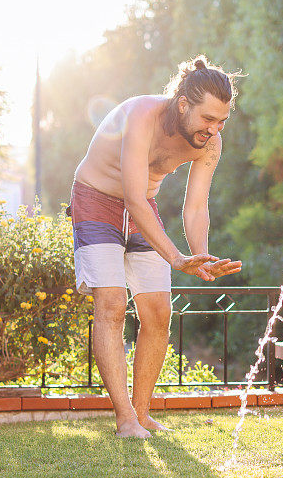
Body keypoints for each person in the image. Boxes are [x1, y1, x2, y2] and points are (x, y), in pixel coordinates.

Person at [69, 55, 242, 439]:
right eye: (208, 119)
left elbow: (196, 206)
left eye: (221, 121)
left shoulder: (209, 144)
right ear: (183, 104)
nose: (214, 130)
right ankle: (125, 418)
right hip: (97, 199)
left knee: (158, 311)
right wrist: (175, 256)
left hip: (142, 208)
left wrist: (200, 255)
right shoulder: (141, 116)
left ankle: (142, 414)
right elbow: (131, 196)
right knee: (112, 303)